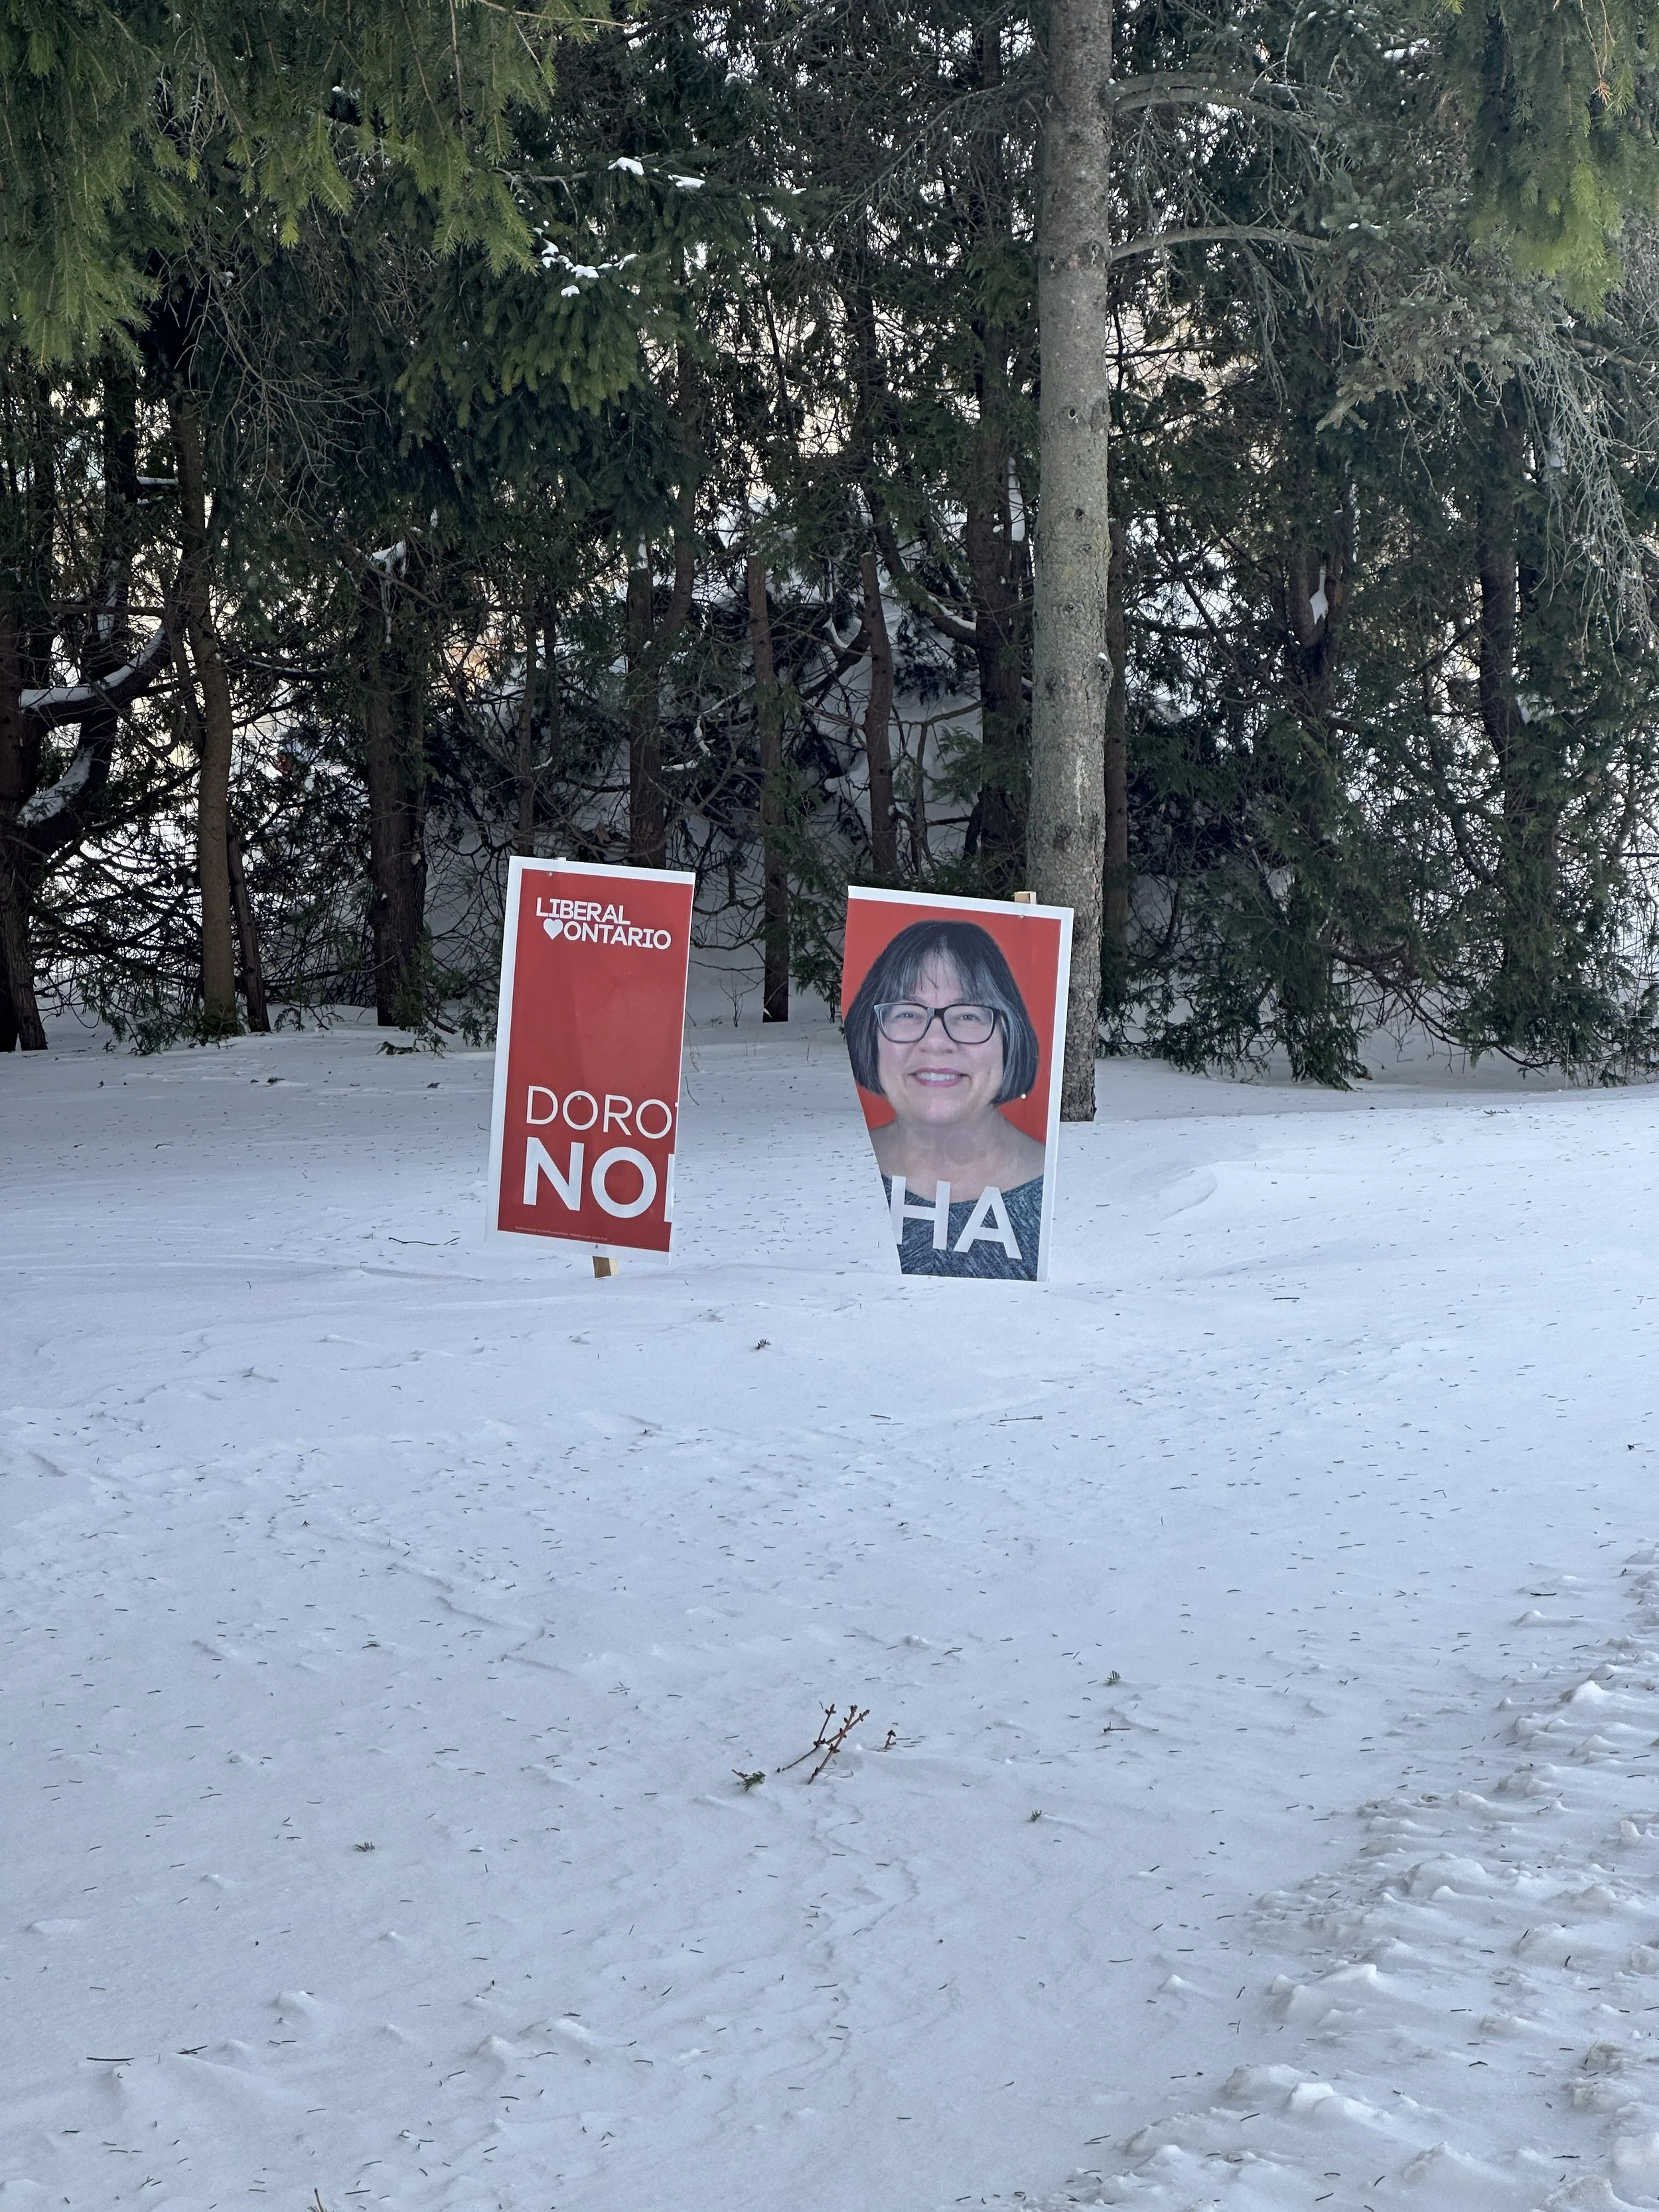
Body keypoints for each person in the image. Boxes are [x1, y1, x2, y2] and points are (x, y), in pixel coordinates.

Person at [843, 918, 1046, 1280]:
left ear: (1009, 1037)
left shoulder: (1064, 1194)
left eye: (968, 1014)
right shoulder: (830, 1176)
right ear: (870, 1035)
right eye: (907, 1012)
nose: (936, 1042)